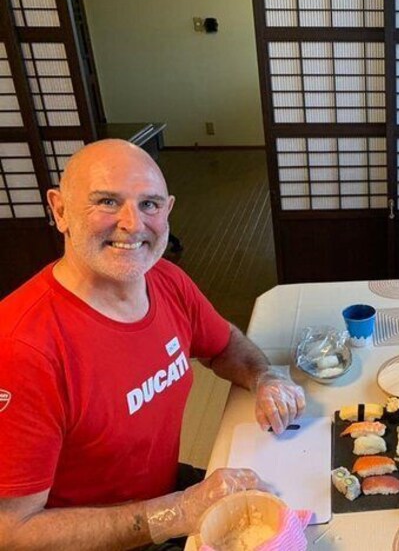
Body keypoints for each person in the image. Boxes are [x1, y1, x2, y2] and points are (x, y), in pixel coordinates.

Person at [0, 139, 306, 549]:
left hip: (163, 492)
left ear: (168, 210)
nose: (132, 223)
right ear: (60, 210)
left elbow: (223, 343)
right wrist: (176, 513)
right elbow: (12, 530)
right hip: (93, 535)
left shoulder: (166, 280)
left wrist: (264, 377)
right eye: (107, 201)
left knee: (300, 507)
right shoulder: (21, 348)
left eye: (150, 204)